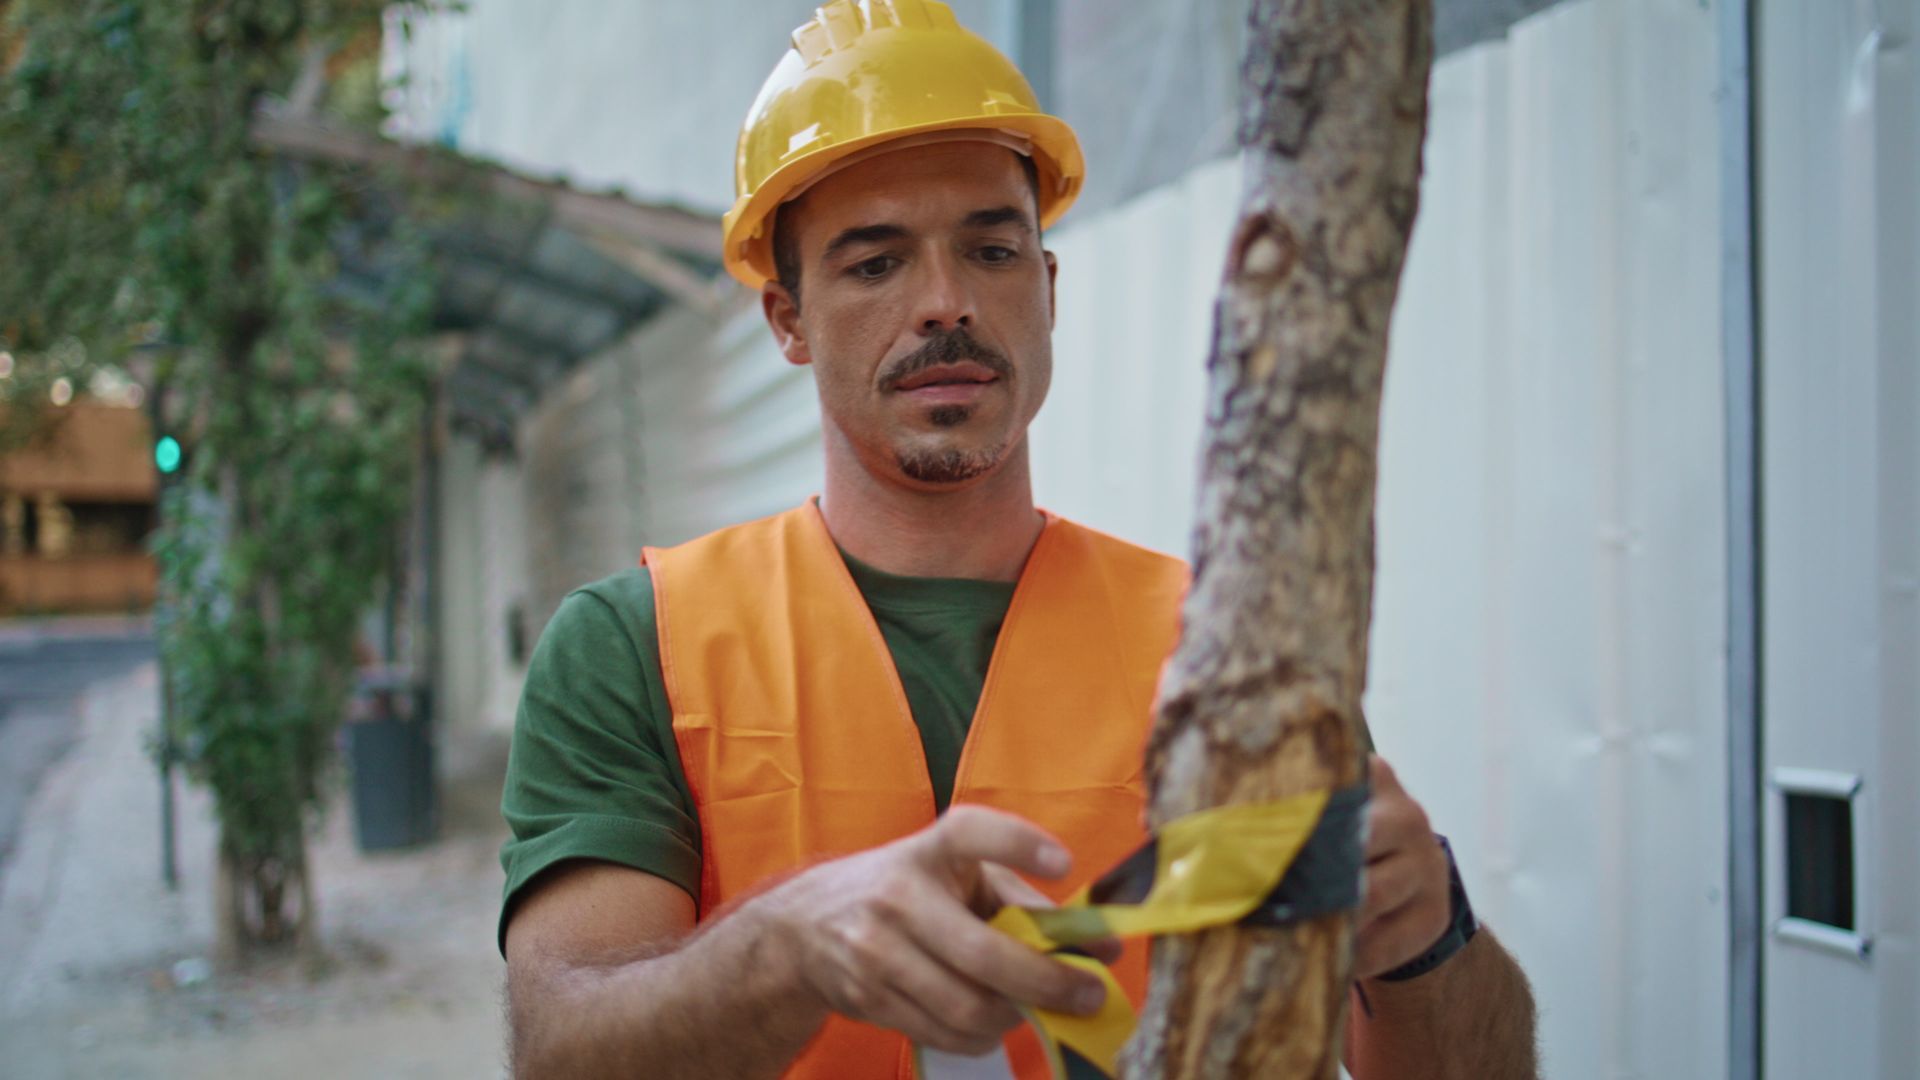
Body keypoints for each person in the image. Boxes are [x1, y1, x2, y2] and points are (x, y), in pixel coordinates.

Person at [498, 2, 1538, 1077]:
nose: (946, 303)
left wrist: (1429, 938)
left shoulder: (1232, 642)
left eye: (992, 250)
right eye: (875, 264)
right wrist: (787, 948)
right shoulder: (641, 645)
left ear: (1046, 288)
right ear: (788, 320)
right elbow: (563, 1050)